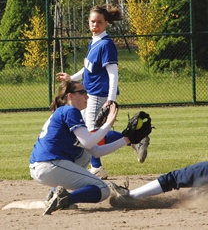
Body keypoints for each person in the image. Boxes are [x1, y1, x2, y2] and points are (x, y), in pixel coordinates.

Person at [56, 4, 149, 180]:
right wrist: (71, 79)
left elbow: (113, 73)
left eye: (99, 22)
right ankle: (135, 139)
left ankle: (98, 166)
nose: (95, 25)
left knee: (90, 133)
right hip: (88, 94)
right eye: (92, 21)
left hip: (99, 94)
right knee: (86, 131)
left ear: (106, 23)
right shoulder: (94, 41)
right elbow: (87, 69)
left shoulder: (106, 44)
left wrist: (111, 100)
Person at [29, 80, 138, 215]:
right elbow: (88, 142)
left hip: (45, 166)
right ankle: (65, 198)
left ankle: (54, 194)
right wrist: (109, 123)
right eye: (82, 92)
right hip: (49, 165)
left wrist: (126, 140)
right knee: (103, 189)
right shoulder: (70, 110)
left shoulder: (66, 112)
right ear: (70, 96)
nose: (87, 96)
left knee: (85, 154)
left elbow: (95, 151)